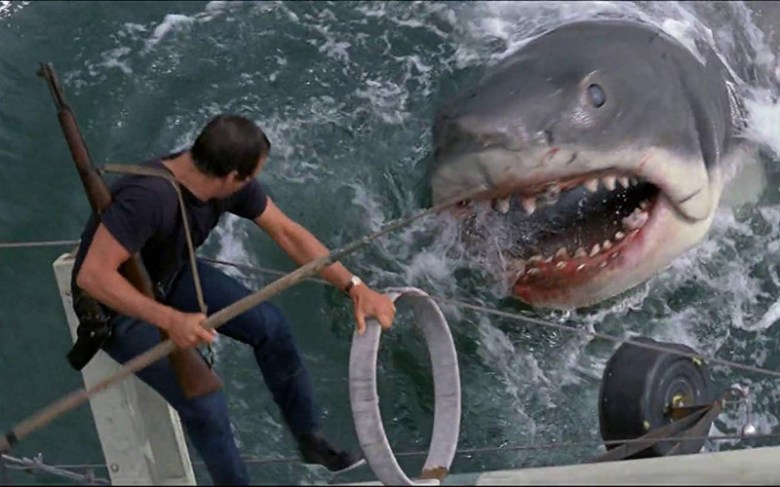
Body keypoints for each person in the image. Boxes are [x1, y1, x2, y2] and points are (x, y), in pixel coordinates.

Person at [70, 114, 397, 485]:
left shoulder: (224, 181)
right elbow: (93, 276)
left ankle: (310, 439)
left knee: (271, 326)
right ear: (230, 177)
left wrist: (354, 287)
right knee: (204, 404)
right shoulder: (148, 198)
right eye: (252, 175)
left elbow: (287, 233)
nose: (255, 182)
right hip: (115, 308)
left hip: (169, 274)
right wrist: (170, 319)